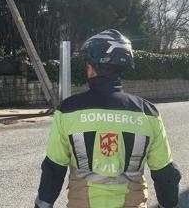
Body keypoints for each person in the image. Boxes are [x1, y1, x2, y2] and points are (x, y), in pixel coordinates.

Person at [35, 29, 181, 208]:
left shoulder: (67, 111)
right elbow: (166, 174)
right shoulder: (148, 113)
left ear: (91, 68)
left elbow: (53, 170)